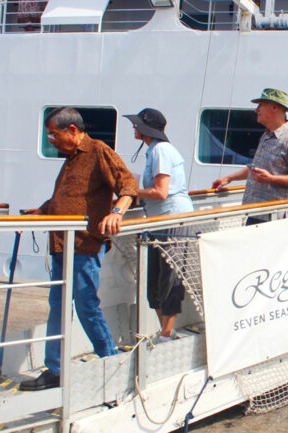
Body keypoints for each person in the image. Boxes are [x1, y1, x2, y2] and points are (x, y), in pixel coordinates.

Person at [20, 107, 138, 391]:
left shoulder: (97, 151)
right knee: (58, 306)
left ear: (72, 130)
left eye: (53, 134)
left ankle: (109, 360)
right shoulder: (71, 159)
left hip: (84, 245)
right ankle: (56, 369)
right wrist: (42, 211)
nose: (51, 140)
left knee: (86, 306)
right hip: (61, 244)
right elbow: (66, 197)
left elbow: (128, 185)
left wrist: (117, 213)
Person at [124, 108, 193, 342]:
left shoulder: (161, 150)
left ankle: (165, 333)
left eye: (137, 125)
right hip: (158, 219)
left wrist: (131, 192)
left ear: (146, 129)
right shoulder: (154, 150)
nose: (134, 128)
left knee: (170, 276)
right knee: (155, 279)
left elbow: (161, 192)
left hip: (172, 218)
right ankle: (165, 331)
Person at [211, 88, 288, 225]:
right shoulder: (267, 136)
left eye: (260, 105)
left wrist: (271, 179)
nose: (256, 110)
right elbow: (256, 168)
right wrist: (229, 178)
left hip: (277, 219)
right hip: (257, 213)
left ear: (274, 107)